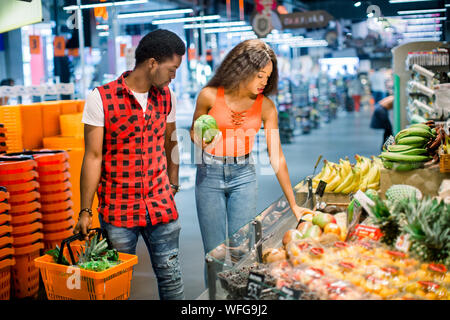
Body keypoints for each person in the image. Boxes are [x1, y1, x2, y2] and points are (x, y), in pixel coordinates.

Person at [74, 29, 185, 300]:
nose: (173, 76)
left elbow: (171, 141)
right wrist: (85, 210)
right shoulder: (101, 98)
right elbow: (93, 157)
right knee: (115, 286)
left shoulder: (166, 96)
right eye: (172, 69)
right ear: (152, 63)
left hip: (161, 204)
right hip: (119, 211)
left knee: (172, 279)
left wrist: (173, 182)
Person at [190, 39, 308, 267]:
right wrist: (200, 140)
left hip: (244, 176)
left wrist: (293, 204)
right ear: (241, 70)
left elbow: (277, 156)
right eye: (259, 75)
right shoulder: (209, 96)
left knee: (241, 252)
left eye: (268, 76)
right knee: (213, 255)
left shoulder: (266, 106)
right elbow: (194, 131)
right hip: (209, 176)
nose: (264, 82)